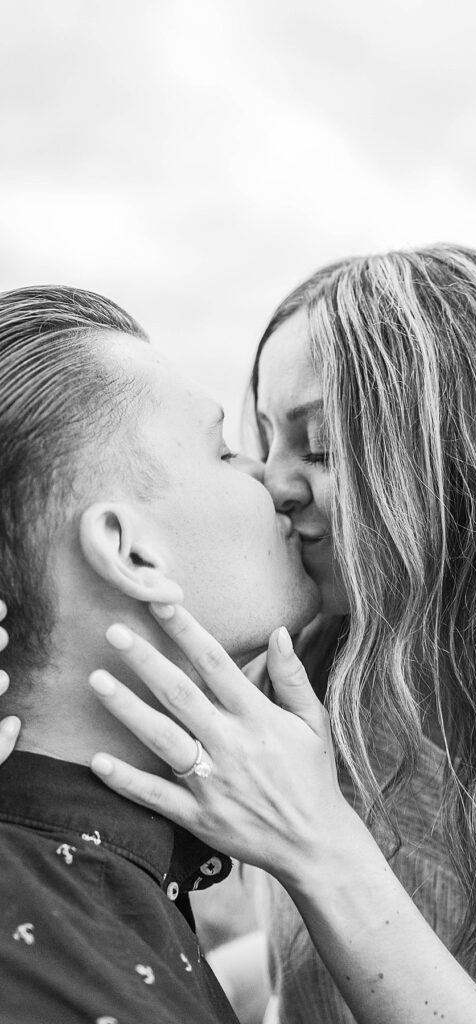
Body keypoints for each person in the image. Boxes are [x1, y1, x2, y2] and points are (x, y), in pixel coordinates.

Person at [3, 246, 476, 1022]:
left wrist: (320, 848)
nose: (273, 481)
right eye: (259, 440)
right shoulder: (290, 673)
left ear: (467, 459)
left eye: (321, 445)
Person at [0, 285, 319, 1024]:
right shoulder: (60, 974)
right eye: (225, 450)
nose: (272, 480)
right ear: (130, 552)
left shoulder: (73, 903)